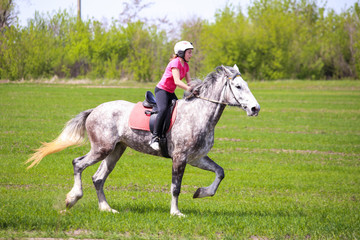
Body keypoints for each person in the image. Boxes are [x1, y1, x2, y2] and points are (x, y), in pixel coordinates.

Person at [150, 40, 194, 150]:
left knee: (179, 110)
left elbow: (190, 82)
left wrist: (196, 88)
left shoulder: (186, 66)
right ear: (181, 53)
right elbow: (177, 81)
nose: (191, 55)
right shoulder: (175, 63)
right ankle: (154, 137)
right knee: (163, 109)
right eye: (189, 52)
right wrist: (189, 89)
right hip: (162, 90)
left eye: (191, 52)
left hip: (170, 92)